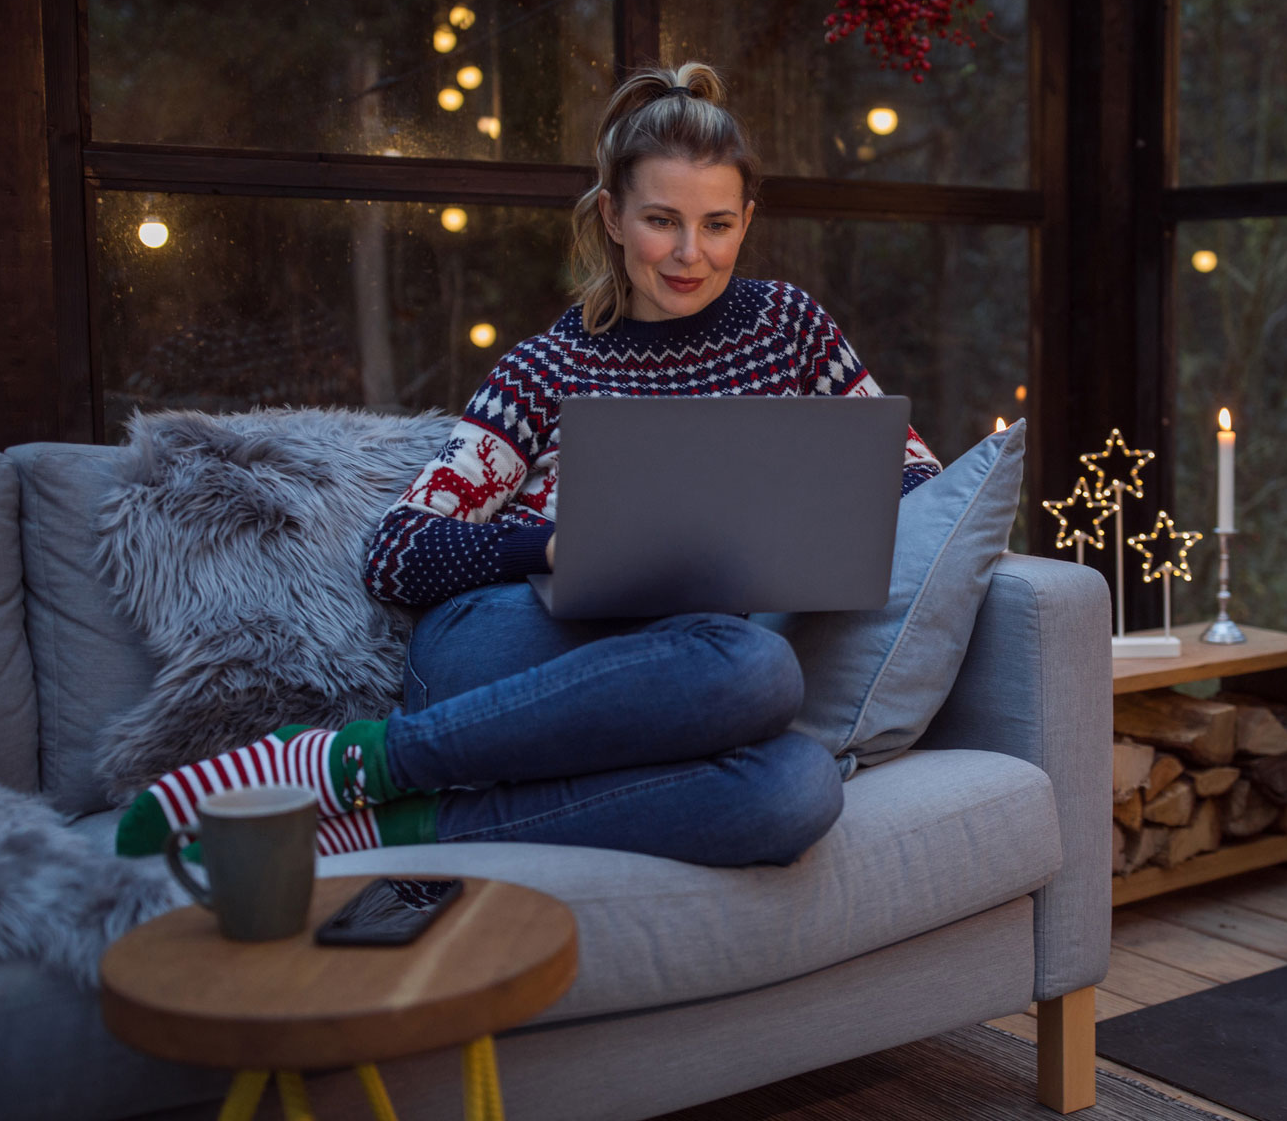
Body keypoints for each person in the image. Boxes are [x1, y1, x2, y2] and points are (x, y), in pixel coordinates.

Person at [117, 63, 940, 865]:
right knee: (755, 670)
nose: (689, 253)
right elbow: (398, 551)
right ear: (614, 218)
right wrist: (557, 547)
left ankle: (390, 827)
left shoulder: (789, 329)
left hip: (675, 668)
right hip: (505, 639)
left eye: (717, 225)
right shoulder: (547, 367)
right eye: (661, 221)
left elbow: (912, 478)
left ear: (746, 221)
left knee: (795, 788)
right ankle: (362, 762)